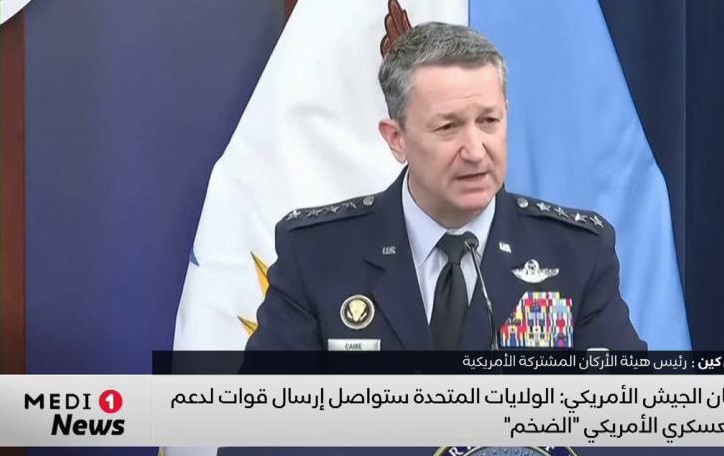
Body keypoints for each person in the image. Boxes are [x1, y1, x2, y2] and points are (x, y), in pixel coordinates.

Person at [246, 22, 645, 351]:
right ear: (396, 139)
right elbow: (263, 417)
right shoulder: (316, 255)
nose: (475, 150)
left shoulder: (576, 254)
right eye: (448, 127)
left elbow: (629, 409)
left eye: (489, 122)